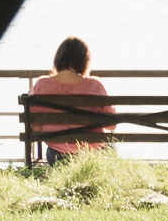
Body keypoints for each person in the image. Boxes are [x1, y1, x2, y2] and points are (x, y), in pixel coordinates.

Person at [29, 37, 116, 165]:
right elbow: (111, 125)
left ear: (58, 59)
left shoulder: (41, 85)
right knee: (111, 146)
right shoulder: (95, 85)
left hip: (58, 155)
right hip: (93, 154)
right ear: (84, 61)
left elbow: (35, 128)